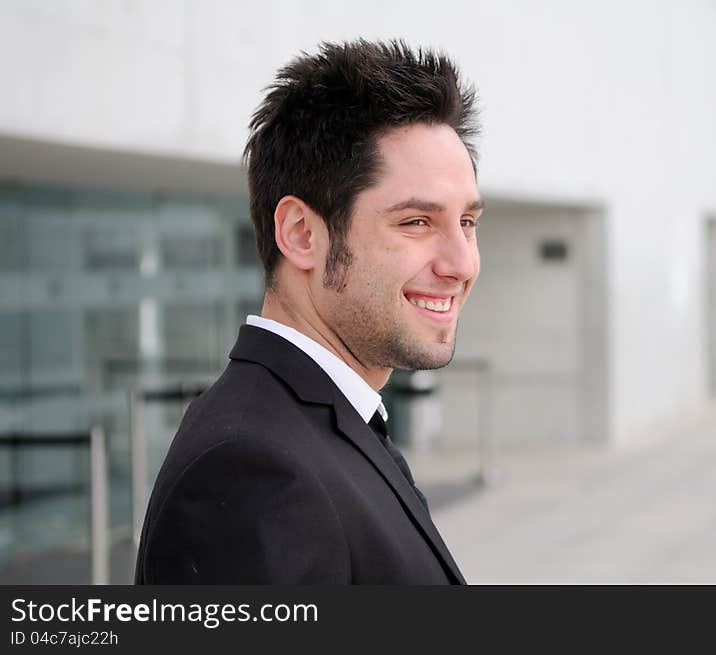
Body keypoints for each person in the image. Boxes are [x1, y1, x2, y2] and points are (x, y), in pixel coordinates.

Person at [135, 39, 483, 584]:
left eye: (467, 222)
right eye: (417, 222)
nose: (461, 264)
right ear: (302, 235)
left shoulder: (327, 423)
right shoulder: (250, 472)